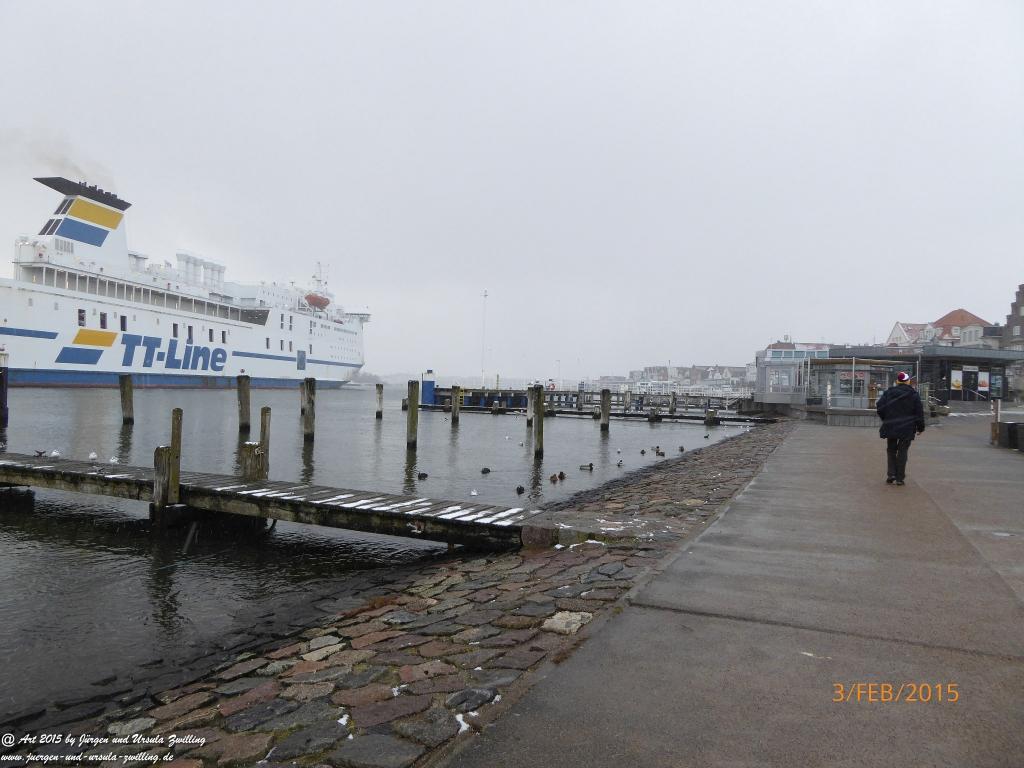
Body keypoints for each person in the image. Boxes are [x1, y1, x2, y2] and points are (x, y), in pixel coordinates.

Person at [876, 371, 926, 486]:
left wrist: (886, 418)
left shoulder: (889, 392)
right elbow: (919, 412)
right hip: (907, 428)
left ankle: (891, 474)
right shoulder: (913, 394)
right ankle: (899, 478)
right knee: (903, 451)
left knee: (891, 450)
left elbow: (879, 407)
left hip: (891, 426)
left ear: (897, 381)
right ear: (908, 381)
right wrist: (920, 427)